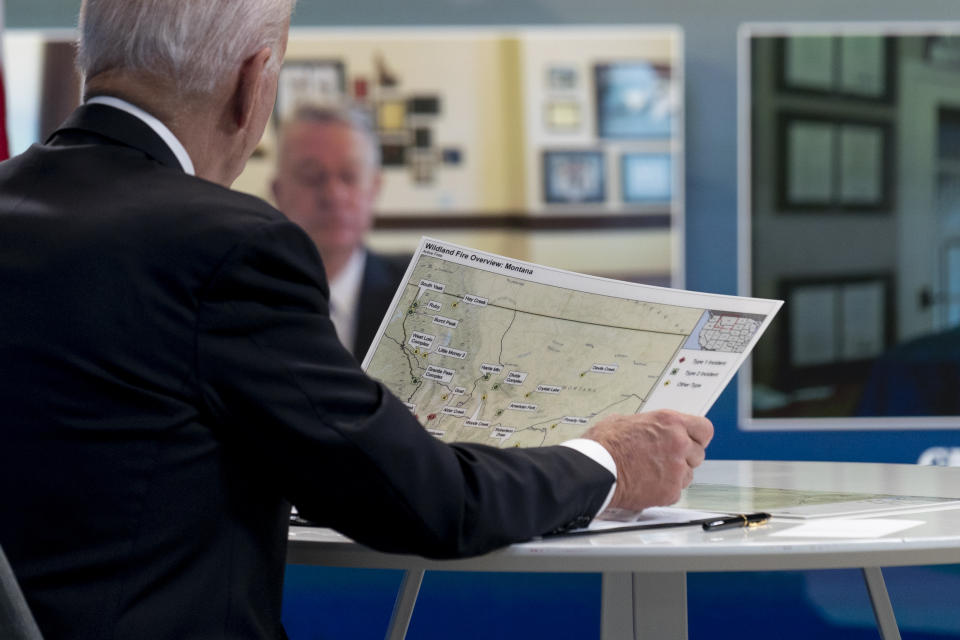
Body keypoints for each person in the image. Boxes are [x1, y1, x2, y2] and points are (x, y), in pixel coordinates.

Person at [0, 1, 713, 639]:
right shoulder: (226, 246)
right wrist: (609, 462)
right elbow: (429, 503)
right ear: (255, 81)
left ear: (90, 57)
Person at [271, 104, 407, 360]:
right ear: (278, 191)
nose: (333, 195)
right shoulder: (240, 296)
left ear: (375, 188)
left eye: (350, 175)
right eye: (311, 175)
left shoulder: (414, 295)